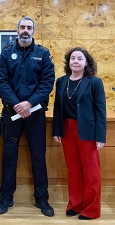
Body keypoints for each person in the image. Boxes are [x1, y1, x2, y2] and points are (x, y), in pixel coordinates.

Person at [0, 16, 55, 216]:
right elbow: (2, 82)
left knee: (38, 157)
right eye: (22, 27)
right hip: (11, 114)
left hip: (35, 114)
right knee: (9, 156)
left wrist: (29, 103)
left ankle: (42, 199)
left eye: (29, 27)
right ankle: (6, 198)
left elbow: (47, 83)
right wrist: (17, 105)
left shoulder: (43, 54)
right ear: (17, 30)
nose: (26, 30)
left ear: (34, 31)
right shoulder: (6, 54)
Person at [52, 47, 106, 220]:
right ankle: (75, 205)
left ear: (86, 63)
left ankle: (91, 209)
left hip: (88, 131)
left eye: (79, 59)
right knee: (73, 170)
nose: (75, 61)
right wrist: (57, 130)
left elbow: (100, 110)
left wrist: (100, 136)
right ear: (68, 62)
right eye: (72, 58)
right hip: (67, 130)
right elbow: (57, 107)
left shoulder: (94, 82)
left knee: (91, 172)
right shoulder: (61, 81)